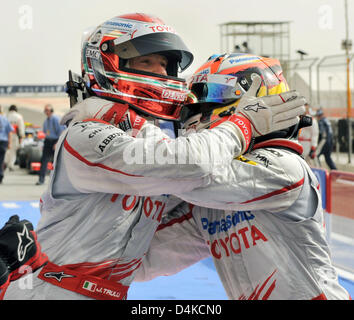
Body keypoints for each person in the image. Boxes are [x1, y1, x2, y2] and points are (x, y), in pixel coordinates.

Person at [2, 15, 305, 300]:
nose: (161, 73)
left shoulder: (145, 137)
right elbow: (191, 164)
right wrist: (242, 125)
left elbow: (147, 258)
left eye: (164, 64)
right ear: (106, 61)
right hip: (47, 290)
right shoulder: (83, 135)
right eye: (147, 61)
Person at [134, 53, 350, 300]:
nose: (197, 111)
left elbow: (185, 176)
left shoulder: (283, 167)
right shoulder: (207, 205)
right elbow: (144, 261)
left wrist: (131, 138)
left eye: (211, 99)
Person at [36, 104, 65, 185]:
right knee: (44, 160)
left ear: (51, 111)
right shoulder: (46, 121)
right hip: (48, 141)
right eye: (45, 111)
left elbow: (61, 131)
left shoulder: (55, 119)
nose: (46, 112)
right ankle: (41, 179)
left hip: (55, 141)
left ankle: (60, 181)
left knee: (58, 161)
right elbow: (45, 132)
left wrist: (57, 143)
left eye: (47, 110)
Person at [4, 105, 25, 171]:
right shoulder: (19, 117)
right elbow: (21, 128)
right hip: (15, 135)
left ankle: (5, 162)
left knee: (7, 150)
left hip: (6, 135)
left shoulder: (5, 116)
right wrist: (21, 137)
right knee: (13, 151)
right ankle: (11, 164)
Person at [0, 105, 13, 184]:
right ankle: (0, 176)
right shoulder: (5, 119)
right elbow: (10, 132)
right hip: (3, 141)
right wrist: (10, 143)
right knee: (1, 160)